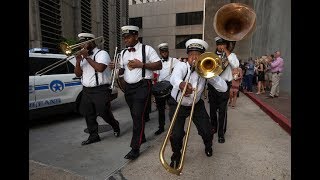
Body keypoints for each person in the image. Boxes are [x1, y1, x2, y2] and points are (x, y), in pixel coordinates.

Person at [168, 39, 228, 168]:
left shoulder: (205, 70)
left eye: (197, 54)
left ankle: (208, 145)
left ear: (202, 57)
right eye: (191, 55)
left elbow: (223, 88)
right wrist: (181, 84)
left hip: (196, 104)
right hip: (178, 103)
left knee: (207, 131)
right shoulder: (181, 65)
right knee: (176, 134)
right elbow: (174, 78)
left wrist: (211, 74)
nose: (194, 58)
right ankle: (176, 155)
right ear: (187, 56)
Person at [109, 25, 162, 160]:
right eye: (124, 38)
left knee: (138, 114)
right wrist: (116, 67)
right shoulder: (123, 53)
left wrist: (142, 65)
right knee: (134, 114)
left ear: (136, 36)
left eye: (128, 37)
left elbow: (159, 65)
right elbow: (122, 71)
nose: (125, 40)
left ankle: (135, 148)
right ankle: (141, 136)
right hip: (128, 88)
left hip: (143, 85)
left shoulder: (147, 49)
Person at [74, 33, 120, 146]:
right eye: (80, 44)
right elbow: (78, 74)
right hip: (86, 90)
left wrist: (87, 57)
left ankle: (115, 125)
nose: (82, 46)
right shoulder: (83, 56)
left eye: (84, 43)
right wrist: (78, 61)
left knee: (104, 112)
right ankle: (94, 135)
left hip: (101, 89)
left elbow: (100, 68)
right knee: (88, 113)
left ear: (91, 42)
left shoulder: (102, 53)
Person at [207, 36, 239, 144]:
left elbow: (236, 65)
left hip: (225, 85)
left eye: (223, 44)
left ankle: (221, 134)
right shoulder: (211, 56)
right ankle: (213, 127)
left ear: (226, 45)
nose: (221, 46)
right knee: (212, 110)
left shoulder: (231, 56)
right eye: (219, 44)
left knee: (222, 111)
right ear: (216, 45)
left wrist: (226, 51)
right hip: (212, 86)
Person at [153, 42, 180, 135]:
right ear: (160, 53)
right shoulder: (158, 62)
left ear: (168, 51)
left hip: (170, 88)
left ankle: (173, 127)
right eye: (162, 52)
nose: (165, 53)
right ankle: (161, 127)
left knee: (172, 109)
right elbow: (155, 75)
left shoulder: (175, 61)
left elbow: (181, 69)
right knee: (160, 110)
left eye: (166, 51)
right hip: (160, 88)